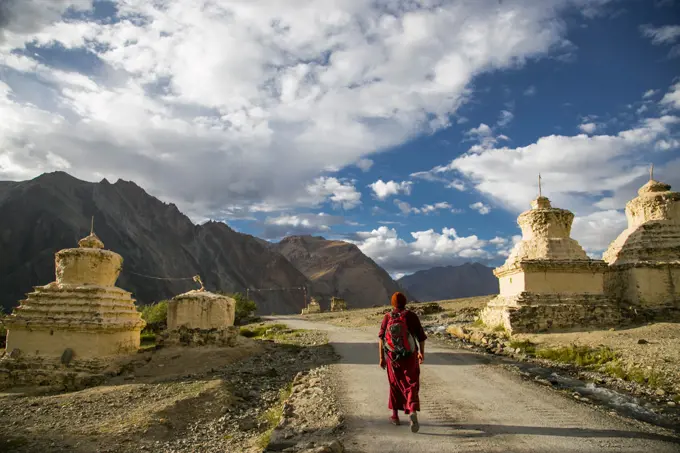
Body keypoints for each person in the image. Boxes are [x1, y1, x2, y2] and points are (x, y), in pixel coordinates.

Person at [378, 292, 427, 432]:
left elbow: (381, 339)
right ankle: (412, 410)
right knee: (411, 382)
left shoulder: (387, 317)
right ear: (405, 302)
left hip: (392, 357)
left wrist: (381, 358)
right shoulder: (411, 316)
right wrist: (421, 353)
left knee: (394, 384)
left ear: (392, 303)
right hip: (410, 356)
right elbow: (421, 337)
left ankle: (394, 416)